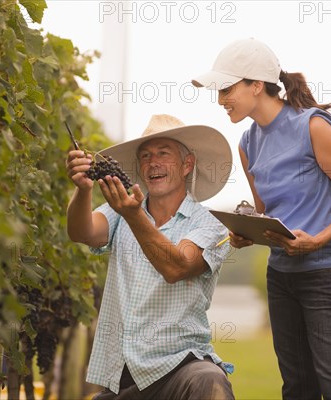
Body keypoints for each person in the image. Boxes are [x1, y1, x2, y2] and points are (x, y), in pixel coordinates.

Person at [192, 38, 331, 400]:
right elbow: (268, 215)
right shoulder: (248, 143)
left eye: (227, 89)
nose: (220, 99)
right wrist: (247, 232)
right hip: (281, 276)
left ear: (256, 85)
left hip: (327, 274)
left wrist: (319, 239)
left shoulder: (314, 127)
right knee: (296, 389)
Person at [65, 114, 235, 399]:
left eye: (163, 153)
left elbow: (177, 266)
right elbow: (82, 232)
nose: (152, 162)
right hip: (124, 374)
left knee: (209, 383)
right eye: (145, 156)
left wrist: (133, 217)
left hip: (181, 366)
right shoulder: (123, 212)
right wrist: (82, 191)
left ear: (187, 165)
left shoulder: (211, 225)